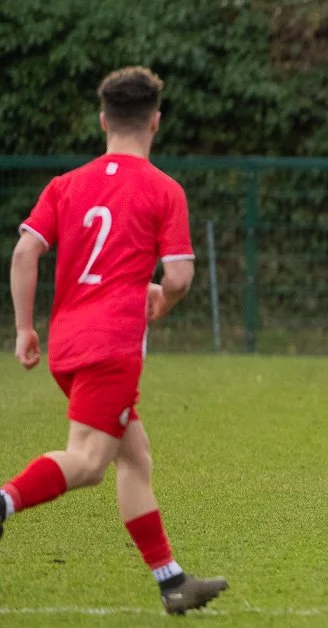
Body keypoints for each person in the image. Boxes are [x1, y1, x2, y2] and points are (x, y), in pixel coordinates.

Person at [3, 67, 229, 613]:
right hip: (113, 348)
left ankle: (172, 582)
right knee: (87, 462)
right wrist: (163, 300)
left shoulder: (66, 185)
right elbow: (177, 276)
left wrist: (25, 328)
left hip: (69, 346)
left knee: (136, 456)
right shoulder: (162, 189)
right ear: (155, 122)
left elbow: (25, 252)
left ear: (104, 120)